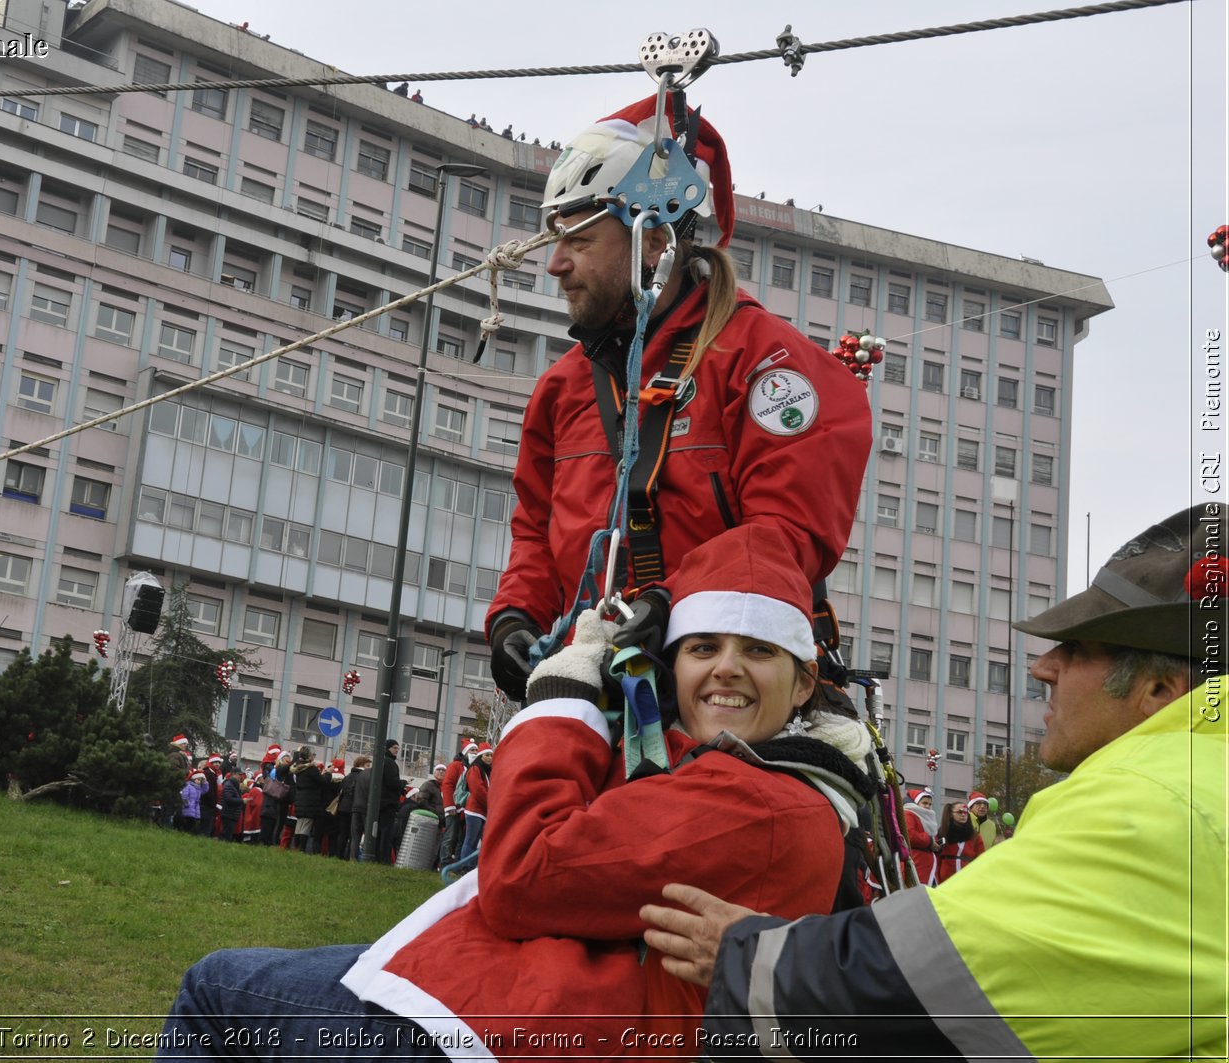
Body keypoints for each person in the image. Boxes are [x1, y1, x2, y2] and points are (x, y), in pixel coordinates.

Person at [159, 524, 878, 1057]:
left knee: (216, 993)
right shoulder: (770, 774)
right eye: (703, 647)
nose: (726, 669)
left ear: (806, 681)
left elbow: (523, 869)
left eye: (757, 649)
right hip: (555, 1005)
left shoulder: (764, 796)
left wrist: (561, 696)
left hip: (540, 1030)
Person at [639, 503, 1229, 1061]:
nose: (1044, 667)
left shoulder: (1159, 801)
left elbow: (926, 983)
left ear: (1159, 692)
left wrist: (742, 955)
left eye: (1075, 650)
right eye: (703, 647)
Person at [484, 92, 871, 703]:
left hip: (729, 692)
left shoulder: (767, 363)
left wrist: (676, 601)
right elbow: (535, 532)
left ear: (653, 241)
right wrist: (515, 616)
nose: (554, 263)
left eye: (580, 240)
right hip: (592, 680)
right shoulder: (564, 388)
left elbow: (788, 532)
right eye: (556, 239)